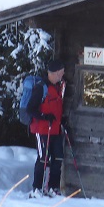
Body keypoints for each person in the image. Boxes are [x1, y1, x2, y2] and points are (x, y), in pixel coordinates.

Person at [29, 58, 65, 197]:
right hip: (41, 129)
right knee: (43, 158)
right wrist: (44, 116)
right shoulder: (41, 87)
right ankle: (36, 188)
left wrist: (62, 121)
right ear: (54, 73)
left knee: (58, 158)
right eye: (60, 73)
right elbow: (30, 109)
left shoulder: (58, 87)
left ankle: (53, 188)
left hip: (55, 129)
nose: (62, 75)